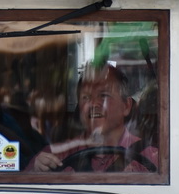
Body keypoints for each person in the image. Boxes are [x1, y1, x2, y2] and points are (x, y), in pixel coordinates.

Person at [29, 64, 157, 173]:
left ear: (126, 106)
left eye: (103, 96)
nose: (94, 104)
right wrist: (34, 171)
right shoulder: (55, 155)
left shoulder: (150, 156)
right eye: (86, 97)